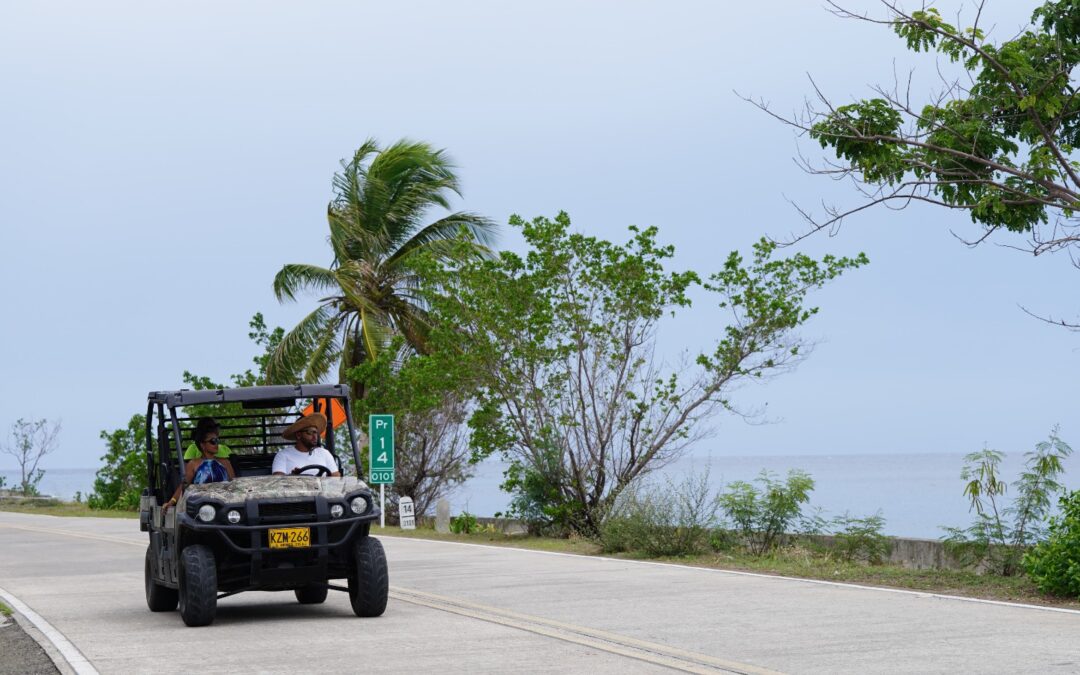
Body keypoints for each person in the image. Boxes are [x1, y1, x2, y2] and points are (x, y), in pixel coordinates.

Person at [163, 417, 235, 512]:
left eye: (217, 440)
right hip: (202, 508)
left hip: (225, 506)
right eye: (212, 441)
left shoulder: (225, 462)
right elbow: (183, 486)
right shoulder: (193, 464)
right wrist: (171, 502)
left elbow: (235, 484)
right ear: (202, 445)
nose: (216, 444)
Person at [272, 413, 340, 477]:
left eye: (315, 432)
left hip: (323, 489)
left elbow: (336, 478)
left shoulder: (324, 453)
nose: (315, 436)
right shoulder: (282, 455)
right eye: (310, 432)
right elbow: (277, 482)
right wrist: (291, 477)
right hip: (295, 489)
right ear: (298, 435)